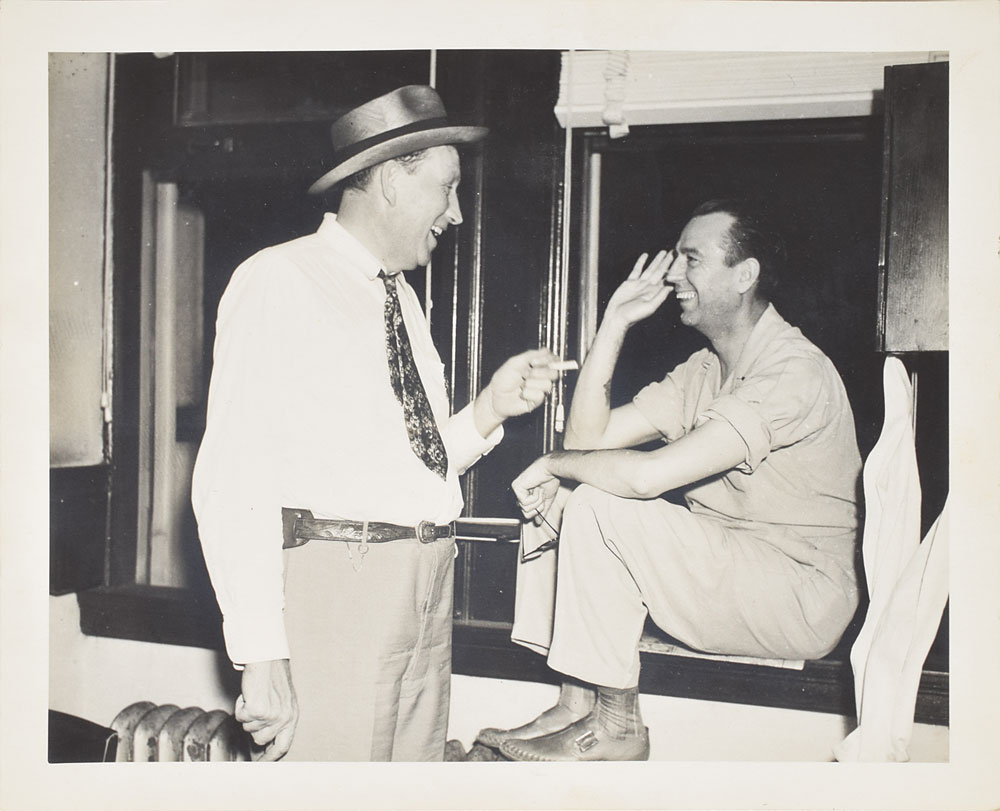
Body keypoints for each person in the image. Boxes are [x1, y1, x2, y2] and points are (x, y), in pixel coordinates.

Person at [191, 85, 560, 762]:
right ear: (392, 179)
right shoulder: (279, 279)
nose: (456, 213)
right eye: (447, 188)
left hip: (424, 587)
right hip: (340, 588)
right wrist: (260, 653)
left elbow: (409, 467)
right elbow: (233, 476)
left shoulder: (403, 300)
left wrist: (489, 409)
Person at [479, 199, 863, 761]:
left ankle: (618, 726)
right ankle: (577, 701)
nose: (673, 274)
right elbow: (587, 441)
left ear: (745, 275)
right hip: (734, 572)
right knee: (560, 496)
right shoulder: (705, 370)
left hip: (799, 593)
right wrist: (614, 322)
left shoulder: (792, 370)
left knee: (595, 501)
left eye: (691, 259)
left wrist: (556, 462)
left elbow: (647, 477)